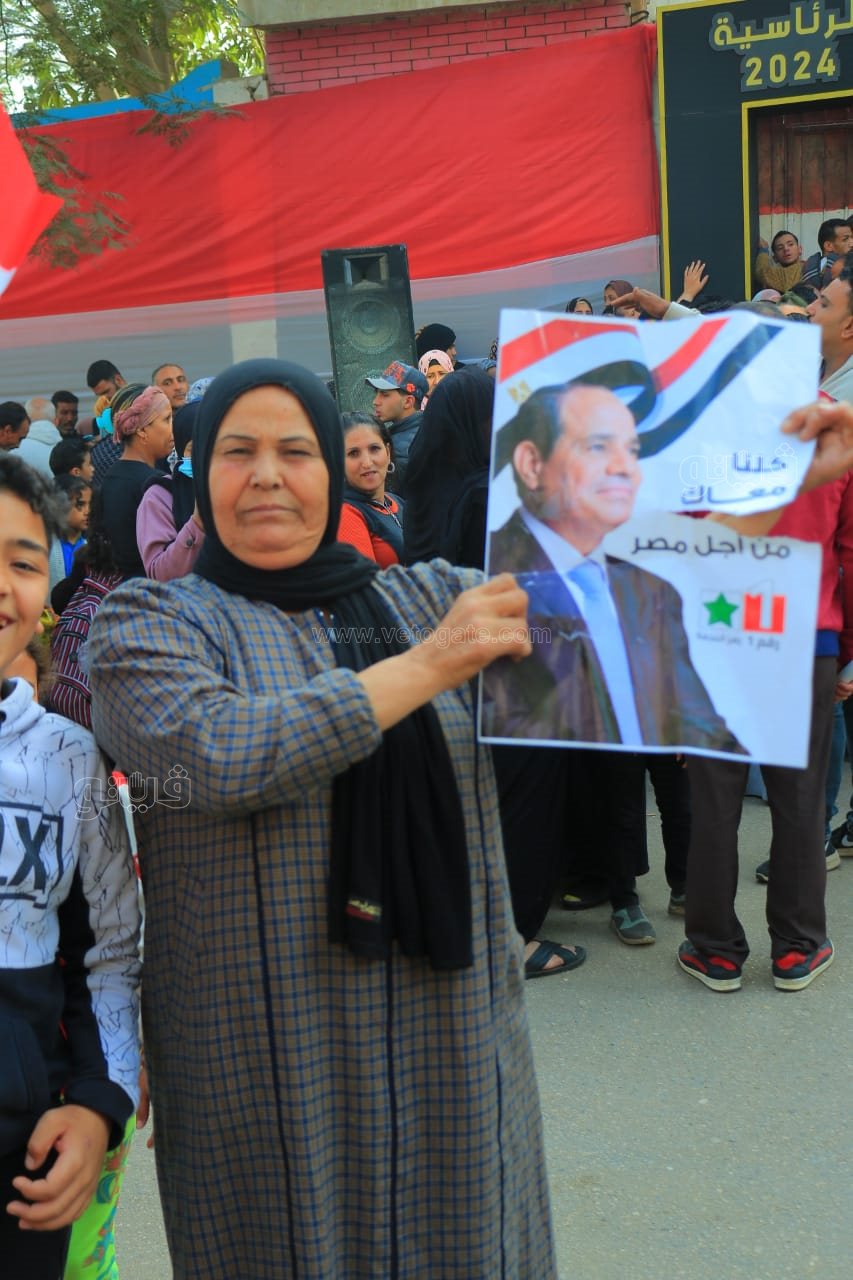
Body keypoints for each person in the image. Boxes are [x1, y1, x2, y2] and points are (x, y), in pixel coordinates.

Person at [87, 358, 555, 1279]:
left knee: (465, 1244)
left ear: (330, 470)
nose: (267, 475)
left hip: (449, 1024)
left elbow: (634, 611)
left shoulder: (425, 597)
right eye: (237, 452)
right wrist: (429, 666)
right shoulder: (148, 623)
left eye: (295, 451)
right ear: (198, 473)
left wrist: (776, 488)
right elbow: (222, 753)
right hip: (262, 1051)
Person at [0, 454, 140, 1280]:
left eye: (22, 563)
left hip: (24, 1162)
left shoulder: (71, 759)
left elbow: (109, 954)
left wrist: (99, 1101)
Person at [404, 368, 587, 974]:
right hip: (511, 665)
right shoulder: (487, 493)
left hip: (449, 667)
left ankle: (478, 918)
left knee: (476, 801)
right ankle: (517, 937)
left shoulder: (421, 487)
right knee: (524, 798)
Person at [480, 382, 743, 752]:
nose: (624, 468)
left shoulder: (652, 590)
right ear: (532, 463)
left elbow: (697, 721)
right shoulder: (491, 576)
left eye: (631, 450)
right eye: (598, 447)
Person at [100, 386, 173, 579]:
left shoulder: (111, 477)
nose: (173, 427)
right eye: (167, 419)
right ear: (141, 430)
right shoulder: (154, 484)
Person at [135, 402, 205, 580]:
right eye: (193, 449)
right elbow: (161, 575)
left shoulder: (238, 489)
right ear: (180, 449)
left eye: (213, 447)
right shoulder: (160, 497)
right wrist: (198, 522)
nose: (204, 456)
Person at [337, 413, 404, 566]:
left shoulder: (397, 502)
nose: (367, 463)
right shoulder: (345, 514)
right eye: (353, 453)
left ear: (388, 452)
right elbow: (363, 579)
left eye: (374, 449)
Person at [365, 359, 429, 493]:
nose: (375, 401)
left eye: (385, 394)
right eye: (376, 393)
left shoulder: (399, 451)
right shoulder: (427, 427)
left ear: (408, 402)